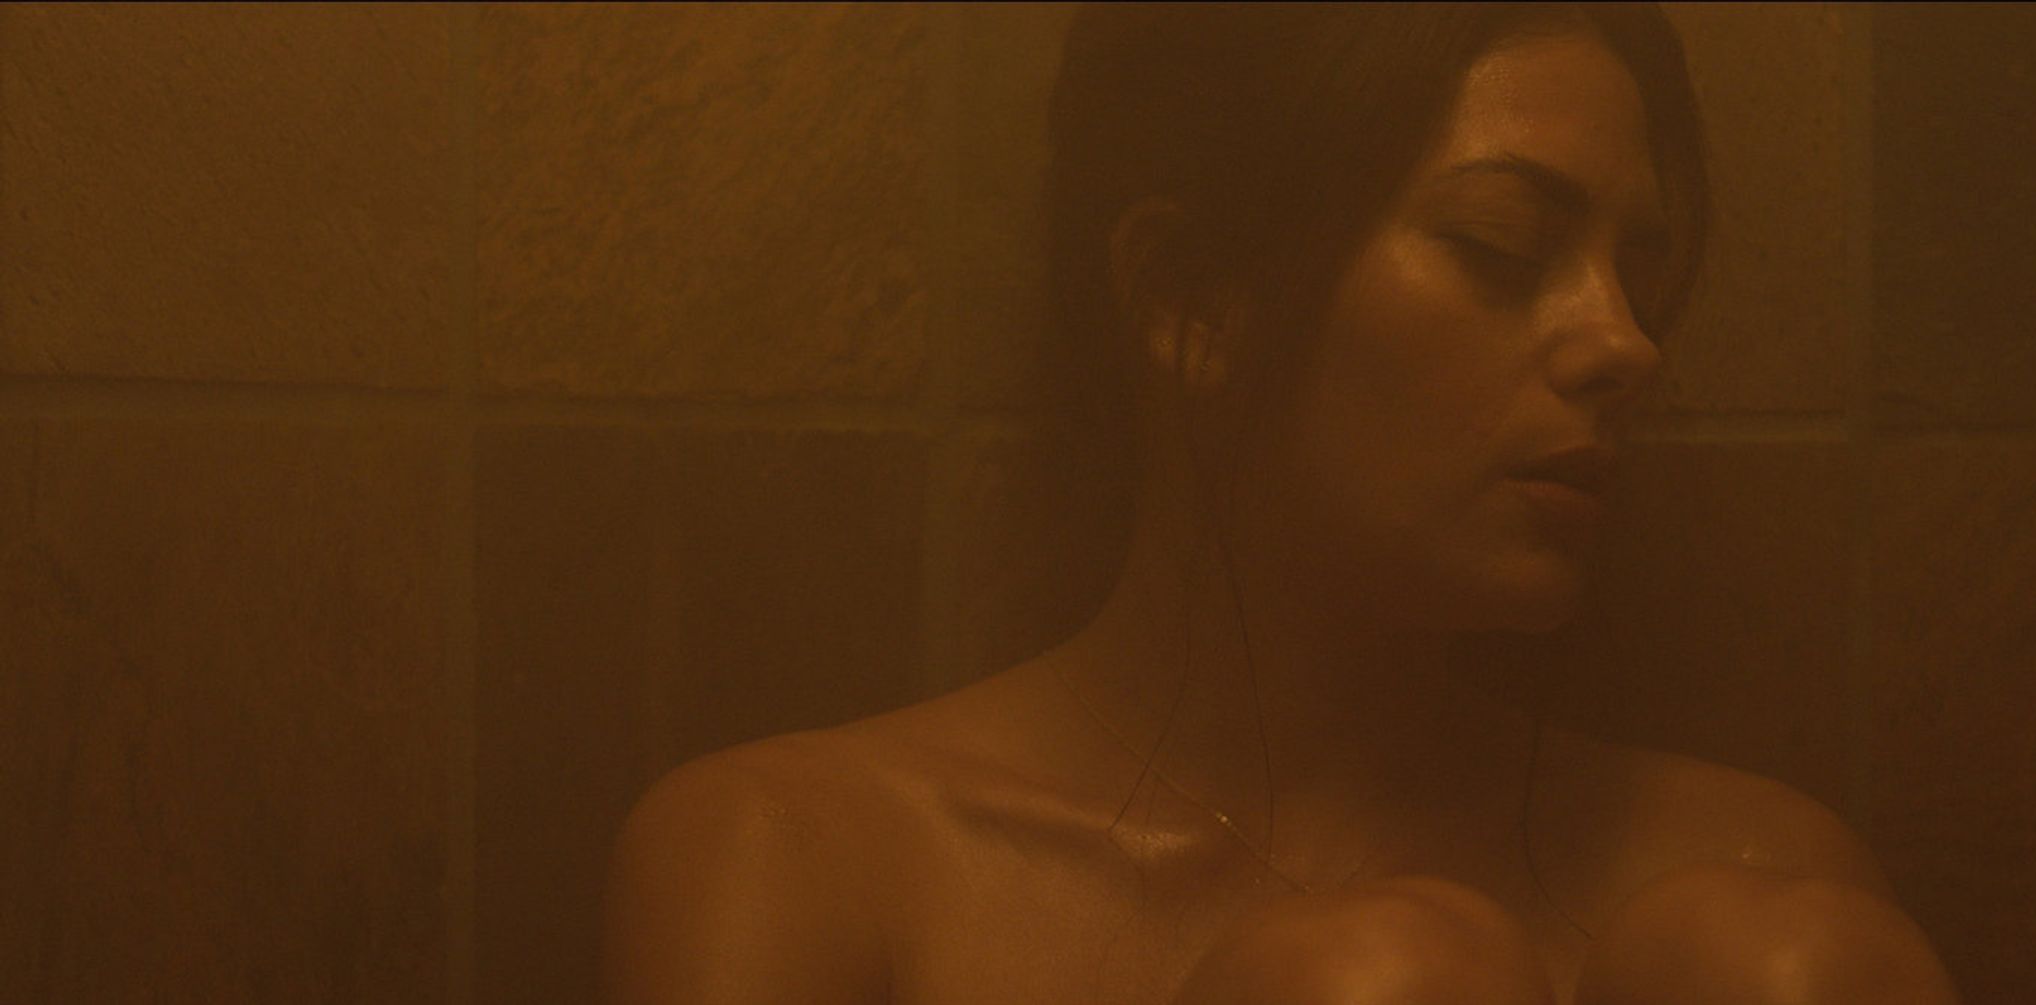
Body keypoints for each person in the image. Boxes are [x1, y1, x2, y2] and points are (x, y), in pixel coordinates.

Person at [603, 5, 1962, 1002]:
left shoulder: (1755, 871)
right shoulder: (814, 863)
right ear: (1190, 300)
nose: (1625, 343)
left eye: (1639, 275)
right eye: (1501, 246)